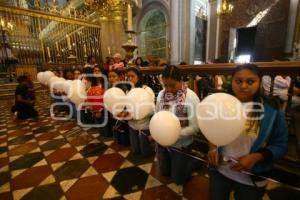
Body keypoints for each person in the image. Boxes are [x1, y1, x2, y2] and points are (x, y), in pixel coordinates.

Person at [208, 64, 288, 200]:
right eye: (238, 81)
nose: (243, 86)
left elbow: (281, 145)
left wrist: (255, 157)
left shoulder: (272, 111)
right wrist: (213, 147)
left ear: (259, 82)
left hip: (251, 177)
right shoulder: (221, 104)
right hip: (220, 170)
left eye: (250, 81)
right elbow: (212, 129)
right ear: (231, 81)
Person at [156, 65, 200, 184]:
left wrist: (173, 134)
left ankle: (193, 162)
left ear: (181, 81)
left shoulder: (191, 97)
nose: (168, 89)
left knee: (178, 179)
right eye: (165, 85)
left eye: (172, 85)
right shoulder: (161, 94)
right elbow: (156, 116)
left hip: (181, 144)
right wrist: (156, 133)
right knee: (164, 172)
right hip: (163, 142)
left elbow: (195, 127)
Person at [118, 67, 155, 156]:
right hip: (132, 124)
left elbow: (152, 109)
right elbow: (127, 106)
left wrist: (138, 114)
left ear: (138, 77)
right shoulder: (128, 90)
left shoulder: (146, 89)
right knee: (135, 151)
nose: (130, 79)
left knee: (145, 152)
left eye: (132, 76)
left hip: (144, 124)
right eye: (128, 76)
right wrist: (124, 112)